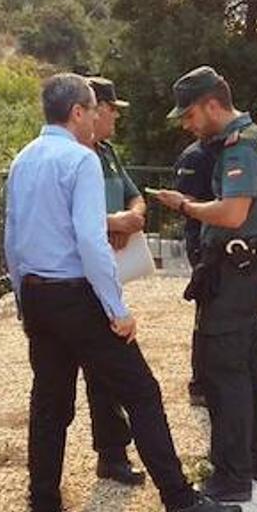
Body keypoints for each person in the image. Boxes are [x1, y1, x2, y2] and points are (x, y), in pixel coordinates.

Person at [6, 73, 241, 512]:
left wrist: (20, 296)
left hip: (37, 293)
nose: (98, 115)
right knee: (142, 393)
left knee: (49, 408)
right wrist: (116, 307)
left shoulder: (24, 159)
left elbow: (12, 234)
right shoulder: (81, 159)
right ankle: (180, 501)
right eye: (93, 108)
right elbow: (92, 240)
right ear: (77, 112)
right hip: (76, 295)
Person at [150, 66, 257, 503]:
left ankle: (231, 475)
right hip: (250, 267)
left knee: (223, 374)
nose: (187, 125)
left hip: (234, 270)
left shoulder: (240, 145)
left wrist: (185, 205)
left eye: (189, 115)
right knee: (248, 368)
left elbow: (232, 213)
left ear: (211, 105)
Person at [82, 76, 145, 487]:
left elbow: (136, 197)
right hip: (76, 278)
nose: (117, 116)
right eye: (111, 108)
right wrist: (112, 222)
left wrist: (130, 218)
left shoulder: (106, 154)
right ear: (90, 110)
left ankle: (112, 452)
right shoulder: (67, 156)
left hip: (108, 274)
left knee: (105, 370)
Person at [174, 139, 217, 407]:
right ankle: (200, 383)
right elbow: (183, 201)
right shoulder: (194, 156)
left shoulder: (225, 149)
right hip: (202, 241)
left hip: (222, 241)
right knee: (207, 311)